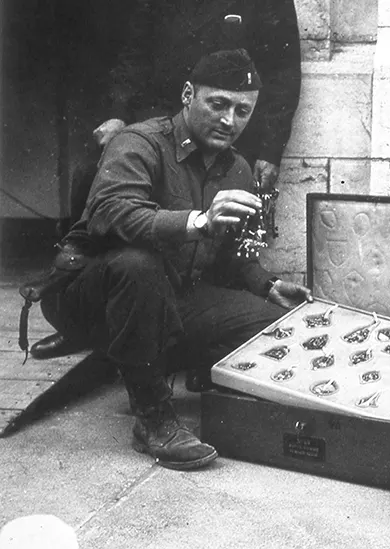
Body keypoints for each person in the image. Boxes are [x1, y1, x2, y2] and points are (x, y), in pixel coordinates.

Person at [38, 49, 312, 470]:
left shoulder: (235, 167)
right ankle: (153, 419)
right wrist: (199, 220)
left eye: (242, 111)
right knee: (137, 264)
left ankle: (192, 365)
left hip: (165, 295)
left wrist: (267, 285)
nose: (229, 121)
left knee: (268, 322)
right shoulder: (140, 142)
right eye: (217, 104)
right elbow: (113, 212)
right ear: (188, 95)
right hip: (86, 297)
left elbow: (230, 258)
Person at [31, 0, 302, 359]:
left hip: (220, 127)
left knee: (209, 252)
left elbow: (284, 71)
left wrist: (269, 147)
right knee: (117, 224)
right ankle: (85, 323)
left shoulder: (235, 164)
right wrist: (118, 113)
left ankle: (169, 341)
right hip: (164, 115)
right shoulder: (140, 144)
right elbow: (135, 52)